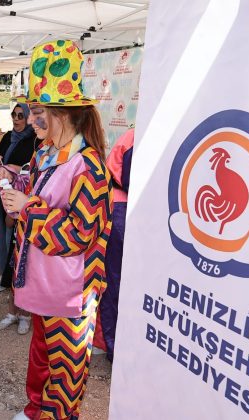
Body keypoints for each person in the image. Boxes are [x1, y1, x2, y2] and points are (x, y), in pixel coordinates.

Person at [0, 40, 113, 420]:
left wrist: (28, 208)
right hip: (44, 285)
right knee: (42, 356)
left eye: (39, 111)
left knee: (66, 374)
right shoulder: (46, 152)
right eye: (31, 111)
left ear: (66, 114)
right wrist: (12, 178)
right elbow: (36, 186)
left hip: (70, 292)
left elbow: (80, 234)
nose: (30, 120)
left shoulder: (90, 167)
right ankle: (34, 412)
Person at [0, 103, 39, 335]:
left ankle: (25, 315)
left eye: (23, 115)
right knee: (14, 265)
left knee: (27, 271)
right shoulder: (10, 136)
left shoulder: (36, 144)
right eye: (15, 115)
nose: (18, 119)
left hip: (30, 218)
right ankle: (12, 311)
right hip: (13, 207)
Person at [99, 128, 134, 362]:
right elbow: (133, 180)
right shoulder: (136, 136)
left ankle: (117, 346)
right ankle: (114, 348)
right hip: (123, 209)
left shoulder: (135, 135)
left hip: (124, 208)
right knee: (117, 281)